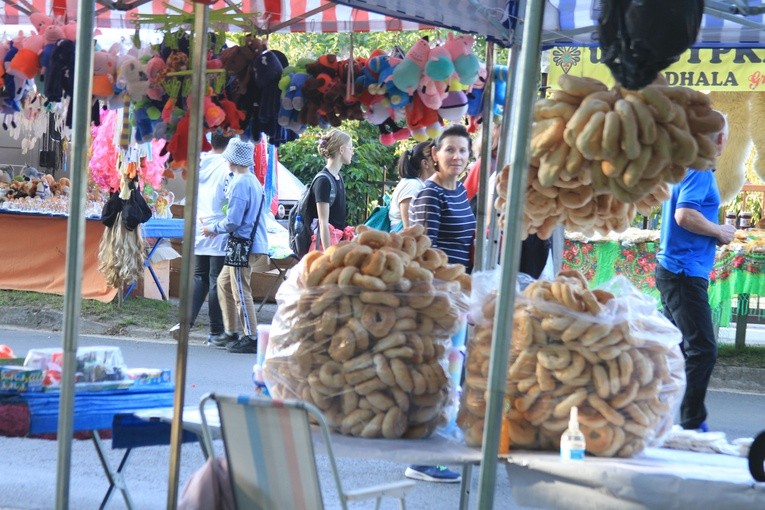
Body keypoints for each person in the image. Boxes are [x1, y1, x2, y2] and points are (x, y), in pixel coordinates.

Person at [406, 124, 477, 483]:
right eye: (449, 150)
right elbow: (422, 251)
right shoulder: (429, 194)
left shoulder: (460, 191)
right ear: (435, 153)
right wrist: (440, 298)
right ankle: (421, 459)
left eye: (462, 151)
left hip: (458, 296)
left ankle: (439, 445)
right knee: (436, 376)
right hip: (438, 299)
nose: (456, 157)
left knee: (451, 377)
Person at [656, 119, 735, 432]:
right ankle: (691, 420)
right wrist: (719, 231)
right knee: (702, 349)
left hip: (676, 270)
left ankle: (651, 413)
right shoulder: (699, 169)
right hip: (683, 272)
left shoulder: (683, 167)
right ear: (719, 140)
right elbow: (684, 215)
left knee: (668, 348)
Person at [201, 137, 270, 354]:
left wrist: (212, 227)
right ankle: (231, 331)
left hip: (243, 244)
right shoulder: (251, 181)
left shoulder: (241, 183)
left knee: (241, 289)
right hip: (245, 242)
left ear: (234, 159)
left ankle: (251, 336)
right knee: (223, 282)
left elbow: (233, 221)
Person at [170, 133, 234, 343]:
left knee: (199, 277)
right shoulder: (227, 167)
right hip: (217, 227)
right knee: (216, 280)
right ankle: (215, 331)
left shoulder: (198, 164)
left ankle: (185, 323)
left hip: (198, 225)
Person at [464, 121, 550, 277]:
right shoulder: (489, 166)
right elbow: (469, 201)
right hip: (499, 243)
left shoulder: (540, 170)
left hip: (527, 243)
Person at [314, 129, 351, 251]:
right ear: (341, 150)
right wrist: (328, 256)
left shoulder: (338, 177)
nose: (352, 152)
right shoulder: (323, 180)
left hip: (336, 242)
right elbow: (323, 223)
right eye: (350, 148)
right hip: (324, 247)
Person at [388, 140, 435, 231]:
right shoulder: (413, 185)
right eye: (435, 159)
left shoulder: (416, 184)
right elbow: (409, 229)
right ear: (425, 163)